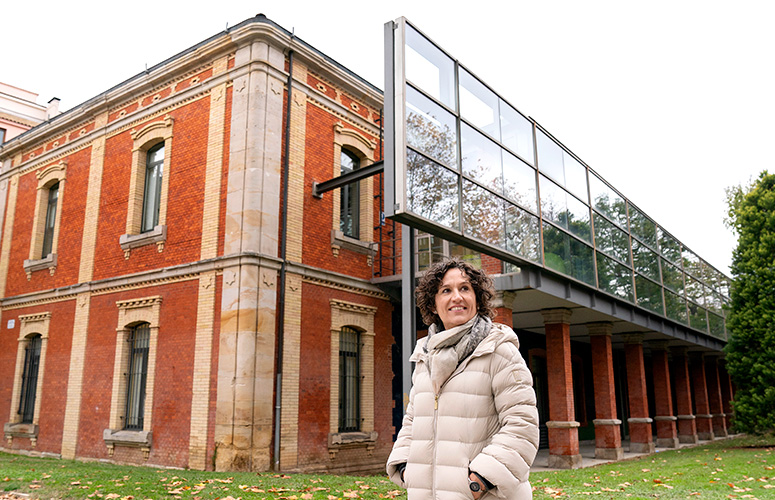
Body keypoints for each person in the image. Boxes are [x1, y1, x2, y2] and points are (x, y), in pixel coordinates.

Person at [387, 258, 539, 499]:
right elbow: (413, 419)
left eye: (465, 288)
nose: (456, 297)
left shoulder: (499, 350)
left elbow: (522, 425)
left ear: (477, 300)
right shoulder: (425, 357)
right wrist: (406, 467)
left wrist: (480, 481)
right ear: (434, 305)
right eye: (446, 290)